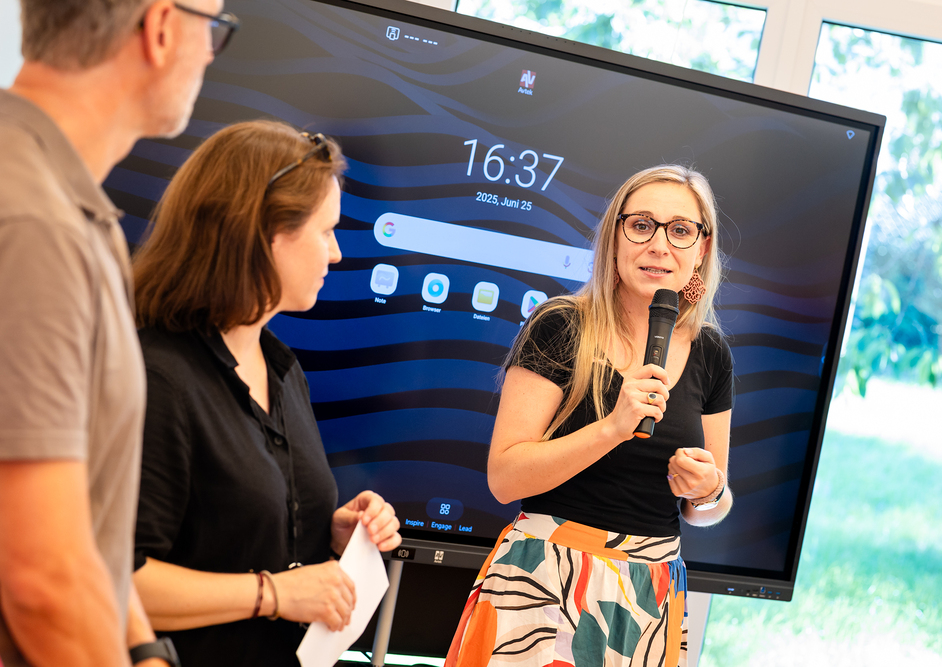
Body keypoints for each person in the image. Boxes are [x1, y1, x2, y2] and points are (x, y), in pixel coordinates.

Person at [0, 1, 236, 665]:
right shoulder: (36, 224)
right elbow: (42, 578)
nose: (210, 52)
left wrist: (143, 648)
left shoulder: (72, 210)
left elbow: (83, 522)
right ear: (160, 28)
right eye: (213, 28)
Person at [129, 119, 402, 667]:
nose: (337, 253)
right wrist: (273, 594)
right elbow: (114, 579)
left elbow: (234, 529)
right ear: (264, 234)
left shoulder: (282, 369)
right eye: (325, 231)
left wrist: (329, 532)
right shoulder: (159, 377)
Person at [446, 165, 734, 667]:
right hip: (542, 580)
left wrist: (709, 490)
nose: (659, 245)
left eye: (680, 230)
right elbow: (505, 478)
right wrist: (612, 429)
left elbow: (708, 506)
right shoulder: (560, 325)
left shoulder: (711, 352)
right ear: (614, 237)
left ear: (701, 249)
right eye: (641, 225)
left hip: (650, 596)